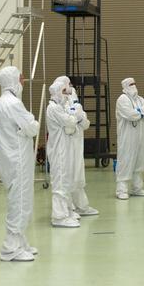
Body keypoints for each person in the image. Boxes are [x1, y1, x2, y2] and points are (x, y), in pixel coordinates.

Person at [0, 66, 40, 262]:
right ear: (12, 79)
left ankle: (20, 241)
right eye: (20, 78)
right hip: (17, 158)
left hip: (12, 157)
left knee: (20, 199)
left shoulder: (2, 101)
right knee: (20, 201)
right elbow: (32, 127)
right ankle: (10, 248)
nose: (23, 81)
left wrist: (28, 126)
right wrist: (32, 124)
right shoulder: (13, 103)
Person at [46, 75, 99, 226]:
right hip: (60, 149)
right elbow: (70, 122)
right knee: (61, 182)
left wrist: (75, 115)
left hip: (69, 147)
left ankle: (68, 211)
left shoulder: (63, 105)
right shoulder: (53, 108)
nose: (68, 91)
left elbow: (81, 122)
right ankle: (59, 216)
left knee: (68, 180)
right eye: (65, 89)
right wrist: (76, 116)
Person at [114, 77, 144, 199]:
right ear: (125, 87)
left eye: (134, 83)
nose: (133, 86)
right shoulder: (122, 99)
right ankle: (121, 190)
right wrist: (141, 112)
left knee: (139, 162)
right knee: (126, 161)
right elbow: (130, 115)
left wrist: (138, 112)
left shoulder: (140, 99)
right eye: (131, 84)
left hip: (140, 136)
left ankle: (137, 188)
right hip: (127, 137)